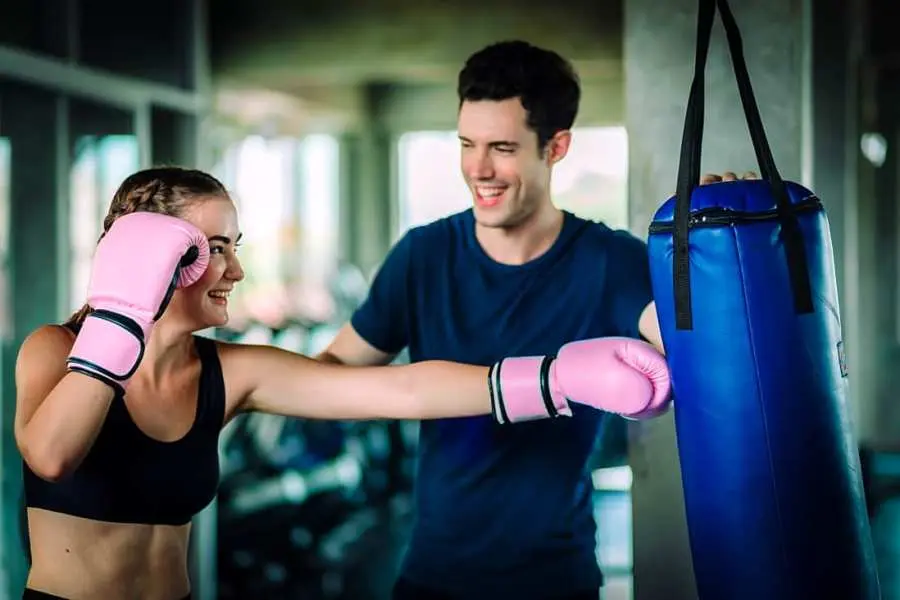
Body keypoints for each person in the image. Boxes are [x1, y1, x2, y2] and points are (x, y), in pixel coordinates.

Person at [13, 166, 672, 599]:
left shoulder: (229, 370)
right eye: (213, 249)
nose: (236, 270)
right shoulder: (54, 351)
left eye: (235, 245)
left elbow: (401, 391)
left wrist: (554, 377)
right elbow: (51, 455)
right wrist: (121, 317)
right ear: (147, 254)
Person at [316, 40, 757, 600]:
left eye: (501, 148)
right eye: (467, 145)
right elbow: (328, 377)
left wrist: (729, 255)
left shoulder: (609, 261)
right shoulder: (422, 257)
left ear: (556, 147)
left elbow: (709, 357)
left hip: (557, 579)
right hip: (433, 577)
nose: (478, 169)